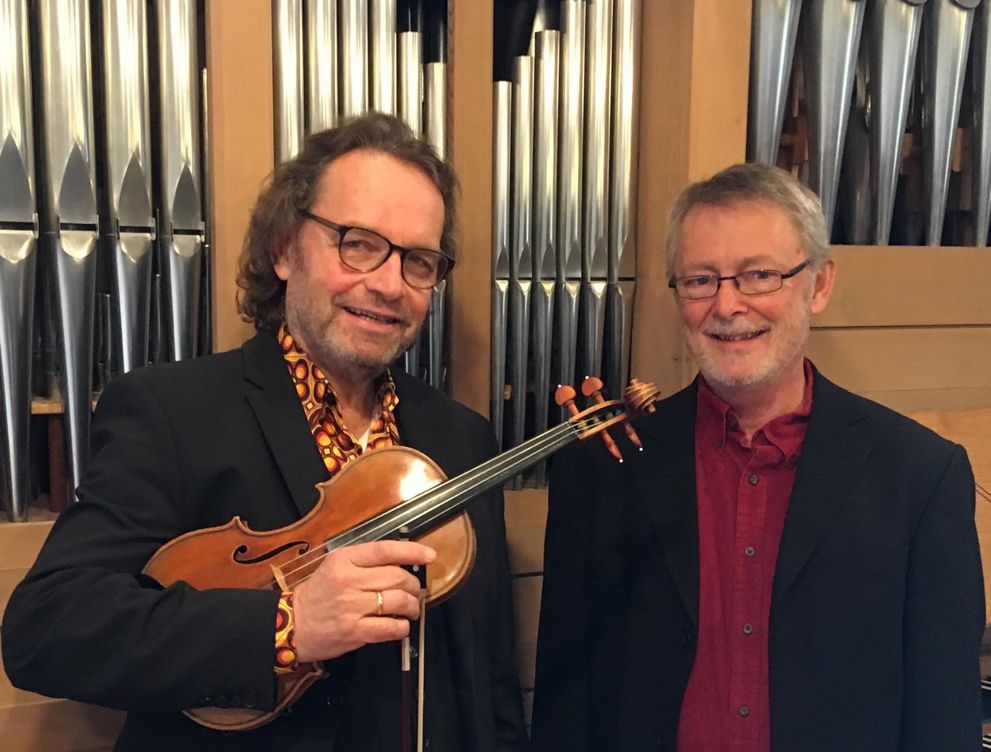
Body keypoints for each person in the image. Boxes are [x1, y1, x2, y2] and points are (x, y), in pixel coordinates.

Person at [2, 113, 528, 752]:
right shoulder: (171, 410)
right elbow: (47, 629)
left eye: (419, 260)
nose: (389, 283)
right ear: (284, 249)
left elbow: (488, 679)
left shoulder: (462, 439)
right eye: (358, 242)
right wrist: (286, 624)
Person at [530, 162, 984, 752]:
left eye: (758, 276)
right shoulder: (602, 465)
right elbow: (566, 705)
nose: (727, 305)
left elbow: (943, 716)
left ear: (818, 284)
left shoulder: (921, 476)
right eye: (699, 281)